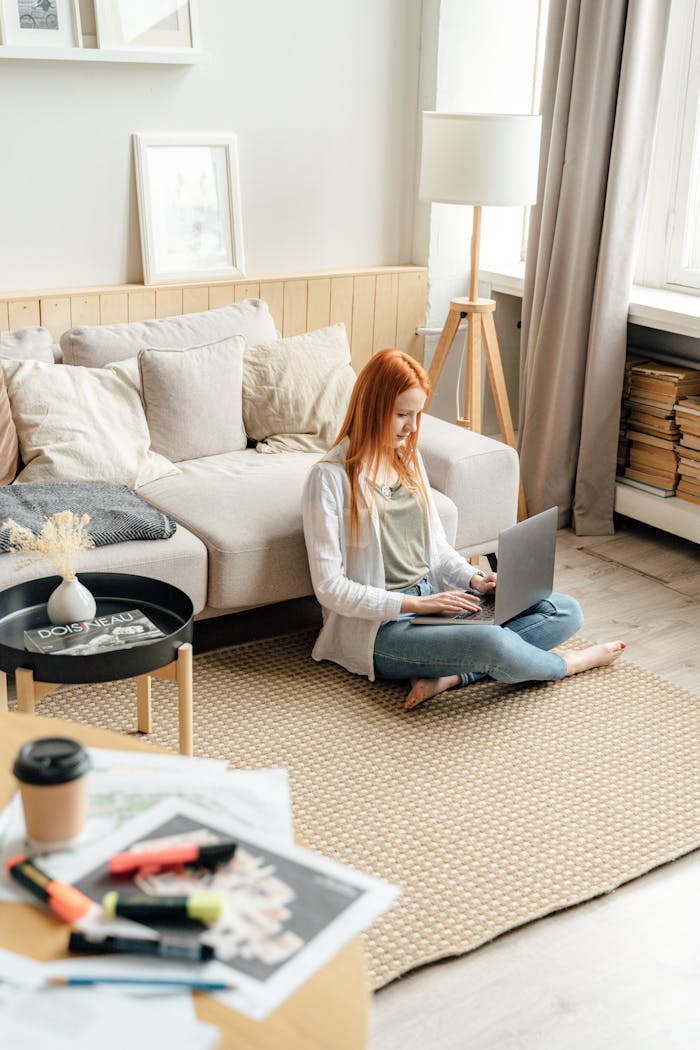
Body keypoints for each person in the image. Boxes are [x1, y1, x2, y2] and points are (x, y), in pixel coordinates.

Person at [301, 348, 625, 712]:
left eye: (417, 414)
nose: (411, 427)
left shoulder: (408, 458)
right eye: (402, 414)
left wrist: (474, 579)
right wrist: (415, 603)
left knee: (565, 609)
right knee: (493, 644)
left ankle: (453, 676)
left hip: (438, 605)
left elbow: (436, 548)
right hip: (384, 628)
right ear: (372, 407)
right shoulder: (328, 479)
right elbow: (329, 588)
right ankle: (568, 665)